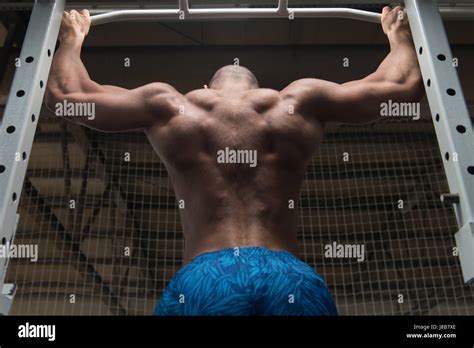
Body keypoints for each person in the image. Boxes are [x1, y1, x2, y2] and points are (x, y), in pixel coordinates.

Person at [45, 6, 423, 315]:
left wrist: (72, 38)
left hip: (207, 278)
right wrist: (398, 35)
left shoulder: (170, 105)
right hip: (287, 278)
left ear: (206, 88)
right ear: (260, 89)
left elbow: (67, 94)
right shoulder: (296, 101)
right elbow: (401, 88)